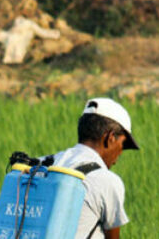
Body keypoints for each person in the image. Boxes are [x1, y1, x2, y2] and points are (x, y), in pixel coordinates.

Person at [44, 97, 139, 239]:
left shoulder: (42, 164)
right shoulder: (106, 180)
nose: (118, 156)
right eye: (123, 145)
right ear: (111, 137)